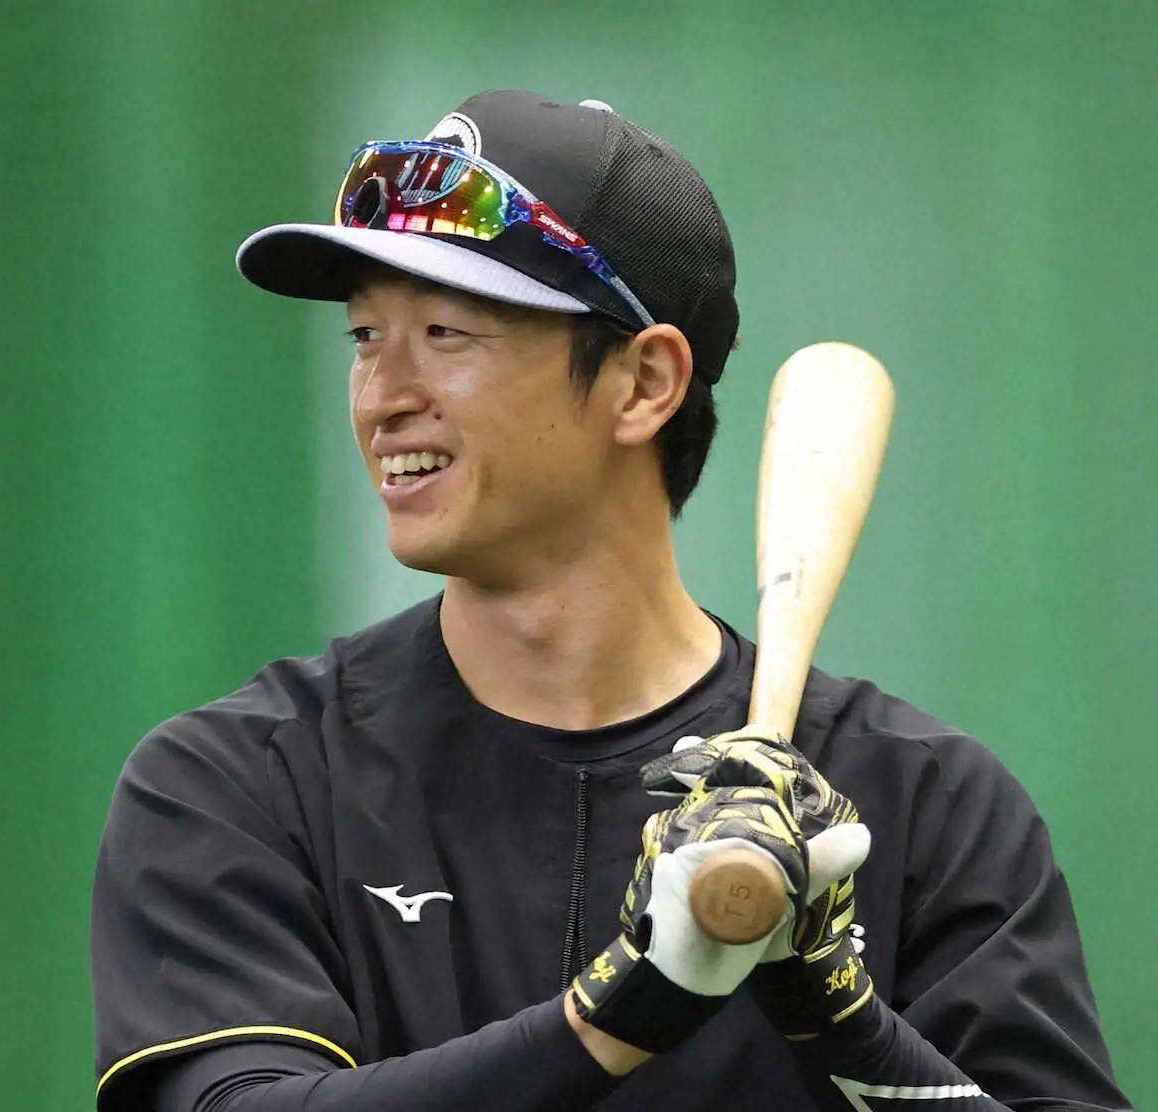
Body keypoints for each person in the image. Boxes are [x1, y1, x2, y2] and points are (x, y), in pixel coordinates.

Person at [91, 90, 1130, 1111]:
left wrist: (843, 1019)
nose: (382, 396)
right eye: (366, 336)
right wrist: (624, 1007)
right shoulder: (246, 780)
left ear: (644, 383)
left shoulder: (920, 801)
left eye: (445, 332)